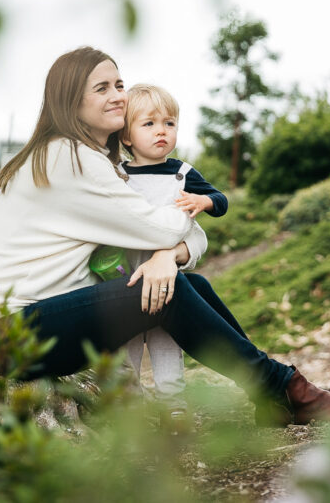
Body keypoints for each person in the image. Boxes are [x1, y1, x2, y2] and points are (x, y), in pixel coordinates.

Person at [0, 46, 330, 426]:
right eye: (101, 88)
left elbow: (173, 236)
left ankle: (275, 394)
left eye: (119, 84)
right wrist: (171, 245)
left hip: (28, 325)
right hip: (8, 334)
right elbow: (169, 224)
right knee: (171, 292)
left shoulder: (74, 156)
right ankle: (287, 390)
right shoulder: (69, 159)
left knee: (188, 283)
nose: (118, 96)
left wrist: (169, 257)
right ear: (71, 102)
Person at [113, 83, 228, 417]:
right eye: (148, 124)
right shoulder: (118, 176)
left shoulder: (181, 173)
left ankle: (173, 409)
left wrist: (203, 200)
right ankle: (127, 412)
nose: (160, 131)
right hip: (126, 282)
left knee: (166, 349)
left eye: (169, 123)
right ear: (127, 136)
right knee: (126, 351)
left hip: (167, 284)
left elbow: (220, 200)